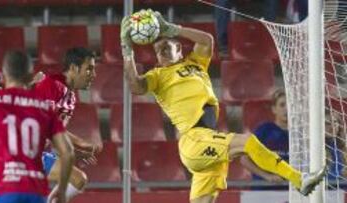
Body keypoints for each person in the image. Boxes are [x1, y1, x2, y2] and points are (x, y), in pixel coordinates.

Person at [120, 9, 326, 203]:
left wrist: (174, 29)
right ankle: (299, 179)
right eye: (158, 51)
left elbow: (207, 40)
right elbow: (136, 86)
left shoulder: (196, 63)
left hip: (207, 140)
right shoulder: (158, 76)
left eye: (166, 47)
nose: (162, 53)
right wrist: (127, 50)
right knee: (247, 142)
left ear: (179, 49)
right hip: (194, 139)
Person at [0, 50, 74, 203]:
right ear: (29, 75)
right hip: (35, 191)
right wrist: (61, 191)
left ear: (4, 75)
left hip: (2, 189)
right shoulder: (43, 107)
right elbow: (68, 152)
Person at [35, 47, 101, 202]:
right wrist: (81, 143)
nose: (93, 75)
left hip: (37, 152)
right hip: (18, 152)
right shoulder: (51, 86)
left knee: (77, 180)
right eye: (89, 69)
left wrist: (73, 151)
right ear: (73, 68)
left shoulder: (70, 98)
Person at [241, 89, 288, 188]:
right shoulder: (264, 130)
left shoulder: (300, 134)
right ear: (274, 109)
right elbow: (244, 159)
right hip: (264, 189)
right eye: (282, 105)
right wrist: (267, 176)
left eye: (289, 104)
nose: (286, 109)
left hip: (291, 191)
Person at [325, 110, 347, 180]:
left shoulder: (343, 145)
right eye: (327, 123)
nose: (332, 126)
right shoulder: (314, 148)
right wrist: (341, 175)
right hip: (327, 188)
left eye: (335, 122)